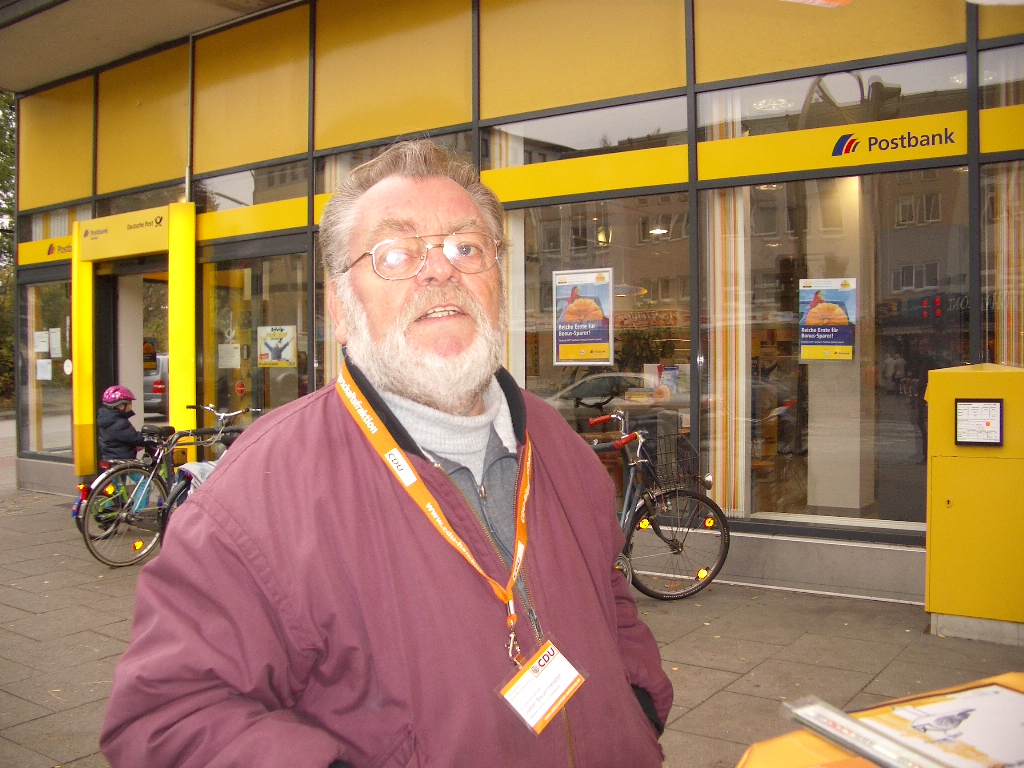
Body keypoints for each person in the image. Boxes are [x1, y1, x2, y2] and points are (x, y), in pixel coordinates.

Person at [101, 141, 673, 768]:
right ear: (340, 308)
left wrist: (637, 702)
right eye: (396, 253)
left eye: (466, 247)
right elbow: (167, 720)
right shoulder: (255, 498)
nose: (440, 270)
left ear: (496, 282)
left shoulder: (559, 445)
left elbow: (607, 592)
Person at [96, 385, 148, 461]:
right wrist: (151, 440)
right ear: (121, 406)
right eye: (129, 403)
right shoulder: (119, 423)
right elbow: (135, 438)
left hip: (109, 458)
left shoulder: (107, 419)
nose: (131, 406)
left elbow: (120, 439)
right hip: (122, 460)